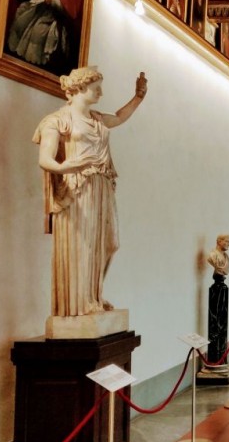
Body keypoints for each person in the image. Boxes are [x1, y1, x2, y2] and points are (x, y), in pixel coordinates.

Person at [34, 67, 147, 317]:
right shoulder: (57, 120)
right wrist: (67, 166)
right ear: (80, 88)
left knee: (109, 243)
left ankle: (95, 294)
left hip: (102, 185)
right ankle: (80, 304)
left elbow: (119, 117)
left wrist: (138, 97)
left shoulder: (97, 119)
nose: (100, 93)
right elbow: (45, 159)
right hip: (77, 188)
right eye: (96, 88)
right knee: (83, 245)